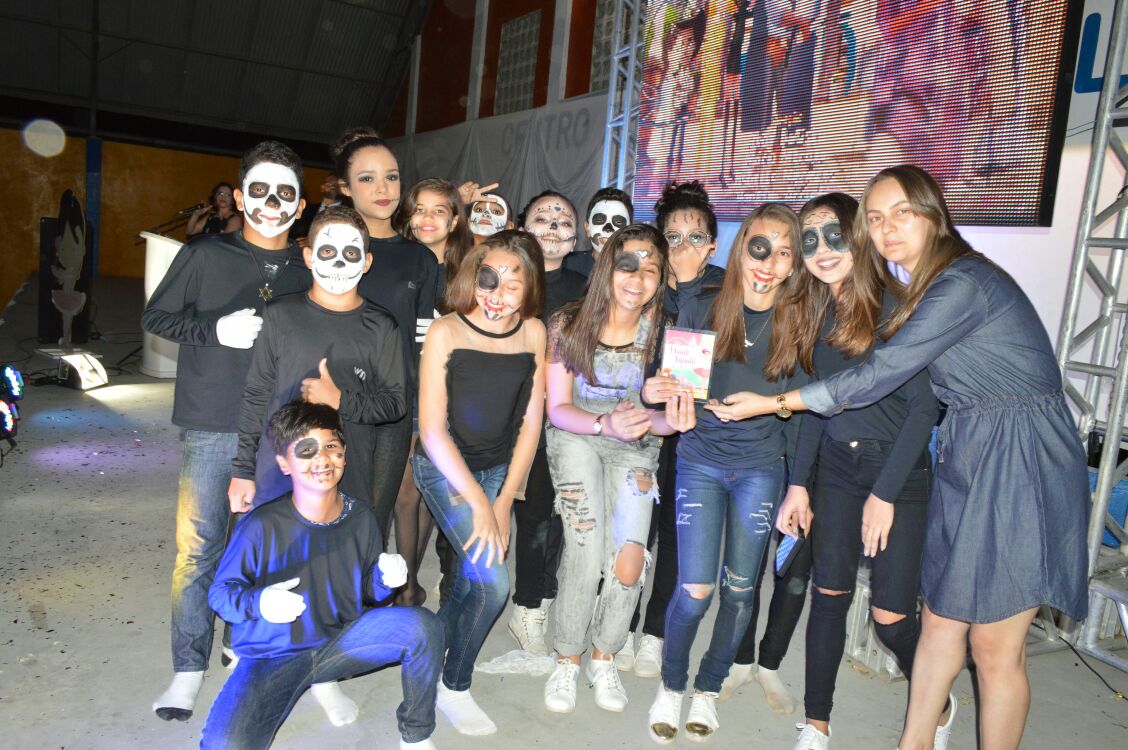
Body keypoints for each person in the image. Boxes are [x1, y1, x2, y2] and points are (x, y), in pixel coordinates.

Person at [735, 165, 1089, 750]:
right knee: (941, 622)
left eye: (901, 212)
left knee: (992, 646)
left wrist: (774, 403)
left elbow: (883, 377)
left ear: (933, 211)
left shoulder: (960, 285)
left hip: (1020, 454)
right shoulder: (919, 290)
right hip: (969, 447)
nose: (888, 228)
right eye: (876, 218)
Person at [144, 141, 312, 720]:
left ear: (301, 205)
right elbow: (156, 316)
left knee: (264, 547)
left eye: (285, 193)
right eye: (259, 191)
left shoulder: (308, 267)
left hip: (279, 427)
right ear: (240, 198)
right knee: (199, 549)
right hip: (213, 421)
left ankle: (243, 642)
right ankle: (188, 666)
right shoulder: (205, 254)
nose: (272, 203)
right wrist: (212, 330)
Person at [774, 193, 939, 749]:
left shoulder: (899, 307)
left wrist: (885, 494)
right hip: (837, 471)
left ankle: (937, 704)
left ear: (859, 237)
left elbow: (924, 411)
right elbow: (815, 407)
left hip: (898, 474)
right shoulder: (814, 312)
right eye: (810, 239)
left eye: (834, 235)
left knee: (891, 618)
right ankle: (816, 724)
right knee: (829, 595)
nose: (822, 249)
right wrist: (799, 485)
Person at [644, 202, 806, 744]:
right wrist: (666, 396)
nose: (768, 263)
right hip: (700, 463)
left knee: (739, 592)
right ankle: (671, 685)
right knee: (694, 590)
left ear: (794, 263)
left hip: (762, 470)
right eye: (760, 247)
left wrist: (797, 484)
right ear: (740, 249)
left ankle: (708, 689)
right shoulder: (702, 306)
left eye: (784, 253)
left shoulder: (800, 320)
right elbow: (675, 391)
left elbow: (807, 410)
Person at [202, 401, 443, 750]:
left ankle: (416, 735)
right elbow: (220, 594)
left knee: (423, 626)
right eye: (306, 450)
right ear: (284, 463)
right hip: (275, 654)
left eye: (331, 446)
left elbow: (366, 591)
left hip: (338, 642)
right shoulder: (261, 525)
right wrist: (259, 601)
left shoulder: (361, 517)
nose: (322, 459)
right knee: (225, 745)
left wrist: (383, 579)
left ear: (344, 454)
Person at [542, 224, 696, 715]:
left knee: (629, 558)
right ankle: (567, 656)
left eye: (651, 269)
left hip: (635, 446)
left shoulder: (668, 333)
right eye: (627, 265)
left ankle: (605, 654)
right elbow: (557, 409)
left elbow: (660, 421)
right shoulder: (567, 323)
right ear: (608, 267)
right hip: (578, 435)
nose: (637, 278)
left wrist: (672, 418)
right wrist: (606, 423)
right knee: (586, 552)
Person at [413, 230, 547, 736]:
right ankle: (455, 684)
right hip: (444, 469)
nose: (497, 295)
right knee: (493, 585)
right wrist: (480, 503)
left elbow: (530, 423)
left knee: (473, 579)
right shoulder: (446, 330)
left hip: (497, 472)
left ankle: (427, 656)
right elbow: (432, 429)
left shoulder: (533, 332)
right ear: (472, 276)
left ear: (530, 288)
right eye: (488, 279)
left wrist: (506, 499)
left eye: (513, 285)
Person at [228, 204, 407, 512]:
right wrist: (243, 470)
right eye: (327, 252)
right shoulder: (280, 314)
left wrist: (340, 400)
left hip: (346, 472)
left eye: (350, 253)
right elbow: (257, 392)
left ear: (366, 262)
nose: (339, 262)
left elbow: (395, 404)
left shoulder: (381, 326)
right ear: (309, 257)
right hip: (280, 471)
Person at [626, 180, 727, 679]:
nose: (683, 246)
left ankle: (653, 633)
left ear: (712, 244)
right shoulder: (643, 286)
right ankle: (620, 627)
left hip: (698, 430)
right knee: (633, 527)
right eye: (673, 236)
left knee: (673, 532)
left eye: (695, 236)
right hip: (643, 424)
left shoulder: (726, 289)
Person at [332, 128, 441, 545]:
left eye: (391, 177)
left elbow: (422, 343)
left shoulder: (419, 258)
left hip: (393, 408)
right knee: (325, 510)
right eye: (367, 178)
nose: (383, 188)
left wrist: (419, 411)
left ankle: (369, 588)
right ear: (344, 187)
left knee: (374, 517)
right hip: (330, 399)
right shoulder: (328, 248)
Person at [507, 194, 589, 656]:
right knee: (531, 513)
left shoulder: (587, 287)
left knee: (560, 511)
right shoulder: (508, 278)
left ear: (575, 239)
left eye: (563, 219)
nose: (554, 225)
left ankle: (542, 591)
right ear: (524, 229)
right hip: (514, 414)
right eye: (543, 216)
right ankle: (524, 603)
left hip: (569, 413)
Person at [391, 177, 474, 605]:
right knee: (405, 493)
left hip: (448, 396)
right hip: (401, 391)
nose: (427, 218)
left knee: (427, 492)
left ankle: (409, 582)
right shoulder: (393, 263)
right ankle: (405, 587)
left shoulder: (468, 271)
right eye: (419, 209)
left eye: (439, 210)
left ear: (454, 220)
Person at [563, 187, 633, 277]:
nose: (608, 228)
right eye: (599, 220)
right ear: (587, 228)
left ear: (629, 230)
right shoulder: (568, 265)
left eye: (618, 222)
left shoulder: (636, 271)